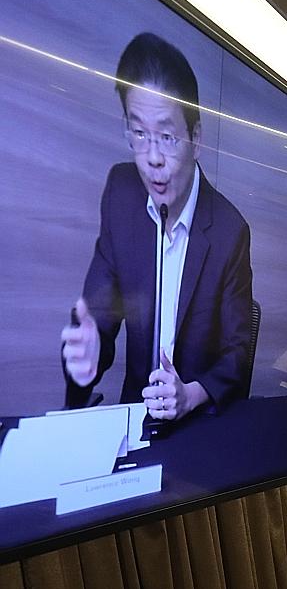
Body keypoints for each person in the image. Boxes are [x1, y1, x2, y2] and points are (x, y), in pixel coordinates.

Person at [61, 33, 254, 420]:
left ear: (195, 138)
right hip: (135, 415)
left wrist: (192, 395)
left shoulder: (229, 230)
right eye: (139, 133)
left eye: (167, 137)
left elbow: (238, 352)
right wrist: (89, 351)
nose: (152, 158)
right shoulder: (121, 192)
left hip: (196, 425)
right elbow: (100, 309)